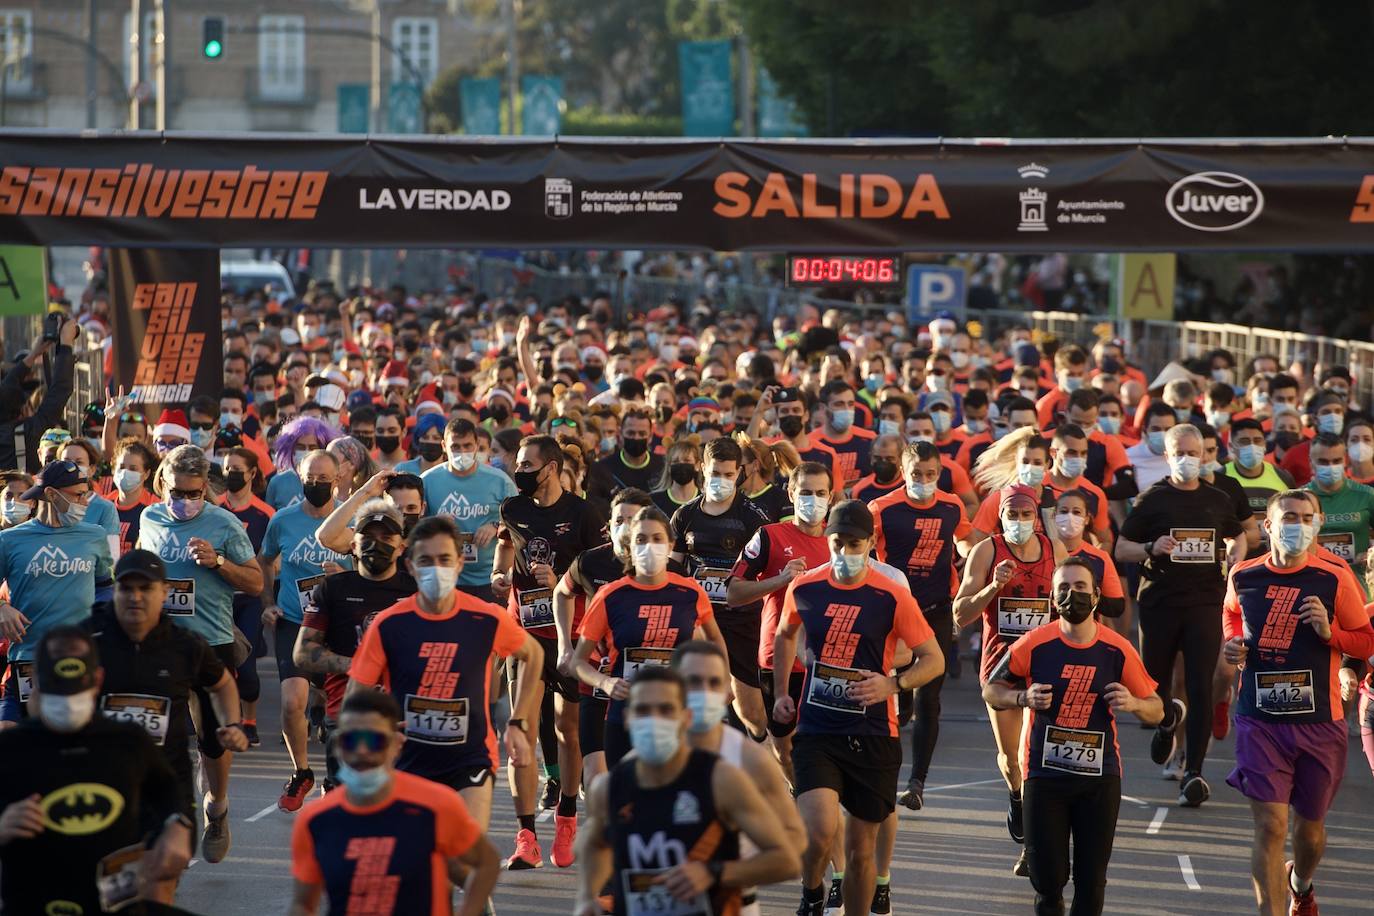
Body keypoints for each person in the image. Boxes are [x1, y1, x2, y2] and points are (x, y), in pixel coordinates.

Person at [773, 500, 944, 916]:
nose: (844, 552)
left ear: (870, 544)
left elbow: (933, 659)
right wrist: (782, 692)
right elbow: (784, 634)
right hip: (817, 728)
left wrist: (893, 683)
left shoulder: (891, 595)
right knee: (818, 832)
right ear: (827, 540)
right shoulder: (806, 586)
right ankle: (812, 895)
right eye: (837, 542)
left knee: (861, 851)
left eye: (854, 544)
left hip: (873, 733)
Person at [983, 557, 1164, 916]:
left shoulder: (1117, 648)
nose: (1072, 595)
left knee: (1091, 881)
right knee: (1048, 881)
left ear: (1096, 596)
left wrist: (1133, 703)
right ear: (1052, 599)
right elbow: (991, 689)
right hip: (1044, 776)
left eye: (1080, 587)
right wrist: (1022, 697)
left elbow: (1157, 708)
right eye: (1063, 588)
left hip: (1099, 779)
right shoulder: (1034, 643)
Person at [348, 516, 545, 844]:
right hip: (407, 761)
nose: (435, 569)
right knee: (418, 864)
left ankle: (475, 894)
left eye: (444, 560)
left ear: (459, 564)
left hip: (470, 759)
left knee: (464, 851)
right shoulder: (389, 624)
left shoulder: (484, 617)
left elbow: (533, 654)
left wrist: (518, 721)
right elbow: (357, 696)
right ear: (410, 566)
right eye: (426, 561)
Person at [1223, 490, 1374, 916]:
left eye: (1307, 517)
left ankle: (1300, 884)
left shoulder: (1334, 575)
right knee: (1270, 825)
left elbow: (1365, 639)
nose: (1298, 524)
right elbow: (1232, 616)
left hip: (1319, 722)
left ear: (1318, 524)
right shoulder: (1244, 575)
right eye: (1289, 517)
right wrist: (1231, 645)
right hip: (1259, 717)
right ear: (1268, 526)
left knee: (1309, 832)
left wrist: (1331, 634)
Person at [572, 666, 800, 916]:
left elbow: (786, 860)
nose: (654, 721)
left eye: (665, 710)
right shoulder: (608, 788)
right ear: (628, 718)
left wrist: (714, 872)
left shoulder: (721, 779)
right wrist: (586, 897)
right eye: (643, 711)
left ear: (686, 718)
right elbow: (593, 843)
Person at [0, 626, 192, 915]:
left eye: (74, 696)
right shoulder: (10, 748)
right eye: (58, 697)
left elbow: (168, 790)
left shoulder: (129, 740)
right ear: (35, 682)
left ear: (98, 680)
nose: (66, 708)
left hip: (117, 904)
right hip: (34, 904)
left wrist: (177, 826)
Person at [87, 549, 249, 878]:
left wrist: (232, 723)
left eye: (145, 589)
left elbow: (222, 684)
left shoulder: (185, 645)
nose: (134, 597)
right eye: (125, 588)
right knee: (107, 884)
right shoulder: (87, 638)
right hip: (103, 781)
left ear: (165, 592)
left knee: (160, 878)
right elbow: (50, 692)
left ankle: (213, 813)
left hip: (166, 785)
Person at [135, 444, 262, 841]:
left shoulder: (224, 524)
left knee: (212, 738)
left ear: (205, 487)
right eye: (177, 492)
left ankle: (217, 805)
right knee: (155, 733)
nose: (185, 501)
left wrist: (219, 563)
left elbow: (256, 583)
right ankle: (162, 817)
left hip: (211, 641)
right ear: (163, 484)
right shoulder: (150, 516)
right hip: (159, 643)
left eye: (193, 494)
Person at [491, 433, 606, 869]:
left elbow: (597, 579)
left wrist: (558, 579)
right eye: (517, 465)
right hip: (523, 637)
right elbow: (505, 548)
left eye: (526, 466)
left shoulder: (582, 514)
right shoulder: (513, 509)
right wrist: (501, 576)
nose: (518, 472)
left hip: (569, 637)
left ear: (552, 468)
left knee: (566, 730)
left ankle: (567, 817)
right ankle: (525, 837)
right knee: (519, 734)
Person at [1116, 424, 1247, 805]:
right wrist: (1151, 546)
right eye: (1180, 454)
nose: (1189, 460)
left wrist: (1236, 551)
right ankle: (1166, 723)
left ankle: (1194, 771)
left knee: (1200, 686)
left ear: (1205, 455)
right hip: (1159, 603)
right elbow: (1122, 549)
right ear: (1168, 456)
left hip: (1204, 602)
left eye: (1195, 453)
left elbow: (1236, 533)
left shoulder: (1217, 498)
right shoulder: (1152, 499)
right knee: (1153, 685)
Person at [289, 690, 501, 916]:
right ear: (339, 746)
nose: (362, 751)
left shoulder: (435, 805)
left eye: (374, 740)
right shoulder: (316, 820)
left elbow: (487, 863)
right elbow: (303, 904)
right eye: (351, 740)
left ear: (396, 743)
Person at [955, 483, 1063, 874]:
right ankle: (1016, 796)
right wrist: (994, 585)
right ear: (1000, 517)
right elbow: (960, 613)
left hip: (1045, 664)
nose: (1019, 522)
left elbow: (1074, 607)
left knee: (1037, 755)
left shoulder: (1054, 551)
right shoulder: (988, 551)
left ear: (1037, 517)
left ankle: (1034, 844)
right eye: (1011, 515)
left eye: (1026, 515)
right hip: (1002, 666)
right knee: (1012, 758)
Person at [571, 504, 727, 763]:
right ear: (629, 546)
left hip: (679, 712)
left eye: (657, 539)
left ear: (669, 545)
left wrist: (720, 684)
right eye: (641, 540)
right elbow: (577, 662)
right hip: (627, 715)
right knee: (626, 799)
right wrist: (605, 682)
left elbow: (715, 641)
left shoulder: (690, 592)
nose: (649, 546)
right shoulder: (610, 595)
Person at [870, 441, 976, 809]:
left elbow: (965, 540)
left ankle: (916, 782)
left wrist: (970, 558)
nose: (924, 481)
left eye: (931, 475)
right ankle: (884, 772)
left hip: (935, 608)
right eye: (917, 474)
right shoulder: (882, 508)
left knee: (929, 697)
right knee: (896, 698)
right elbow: (863, 550)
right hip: (895, 612)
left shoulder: (951, 505)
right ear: (903, 470)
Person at [671, 639, 806, 916]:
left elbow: (792, 855)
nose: (702, 692)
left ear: (727, 691)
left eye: (713, 682)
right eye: (692, 681)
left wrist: (718, 872)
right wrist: (590, 895)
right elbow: (599, 840)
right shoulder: (640, 762)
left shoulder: (749, 760)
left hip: (730, 906)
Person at [726, 461, 835, 785]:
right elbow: (733, 593)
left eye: (820, 493)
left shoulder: (840, 542)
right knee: (785, 748)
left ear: (831, 497)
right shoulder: (769, 536)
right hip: (778, 660)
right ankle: (800, 795)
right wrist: (779, 579)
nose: (812, 500)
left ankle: (817, 804)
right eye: (805, 492)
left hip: (826, 660)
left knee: (821, 746)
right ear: (790, 492)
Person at [293, 501, 415, 790]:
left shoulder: (417, 591)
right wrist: (358, 666)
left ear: (401, 546)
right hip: (347, 713)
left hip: (404, 718)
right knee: (349, 804)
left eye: (387, 539)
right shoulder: (334, 588)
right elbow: (302, 652)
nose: (377, 545)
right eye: (368, 538)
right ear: (354, 545)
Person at [259, 448, 352, 811]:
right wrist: (268, 602)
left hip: (337, 624)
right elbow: (265, 561)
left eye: (323, 480)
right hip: (296, 621)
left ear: (338, 479)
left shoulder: (351, 518)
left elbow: (369, 568)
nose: (316, 485)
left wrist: (345, 575)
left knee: (334, 709)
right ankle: (301, 771)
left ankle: (335, 776)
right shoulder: (283, 520)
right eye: (309, 479)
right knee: (291, 702)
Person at [669, 437, 772, 739]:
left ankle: (767, 764)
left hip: (741, 621)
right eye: (715, 473)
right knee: (697, 703)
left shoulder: (753, 517)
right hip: (699, 622)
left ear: (740, 472)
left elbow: (766, 570)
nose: (721, 480)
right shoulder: (685, 515)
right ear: (702, 469)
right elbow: (673, 568)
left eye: (728, 475)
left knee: (750, 710)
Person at [0, 460, 114, 724]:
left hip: (79, 658)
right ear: (51, 494)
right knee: (13, 746)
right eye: (77, 495)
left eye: (85, 494)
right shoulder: (10, 539)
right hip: (28, 658)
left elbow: (105, 589)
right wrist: (2, 608)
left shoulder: (94, 535)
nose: (85, 502)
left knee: (74, 744)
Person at [422, 418, 517, 602]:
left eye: (467, 446)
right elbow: (413, 529)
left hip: (491, 580)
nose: (462, 452)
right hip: (446, 579)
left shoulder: (500, 481)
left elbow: (519, 525)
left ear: (477, 445)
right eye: (455, 447)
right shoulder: (427, 481)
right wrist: (434, 525)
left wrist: (496, 526)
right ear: (443, 446)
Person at [1305, 433, 1374, 595]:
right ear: (1311, 463)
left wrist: (1371, 554)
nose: (1330, 466)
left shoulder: (1366, 495)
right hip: (1313, 585)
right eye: (1323, 462)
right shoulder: (1300, 499)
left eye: (1336, 461)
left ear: (1345, 461)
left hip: (1359, 586)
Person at [1225, 417, 1295, 559]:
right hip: (1236, 558)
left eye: (1257, 441)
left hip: (1273, 557)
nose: (1252, 446)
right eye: (1244, 441)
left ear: (1264, 444)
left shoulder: (1283, 478)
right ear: (1231, 447)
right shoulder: (1221, 477)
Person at [809, 381, 876, 491]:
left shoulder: (870, 440)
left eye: (850, 404)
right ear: (823, 408)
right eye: (839, 404)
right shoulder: (811, 442)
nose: (846, 410)